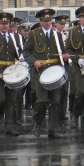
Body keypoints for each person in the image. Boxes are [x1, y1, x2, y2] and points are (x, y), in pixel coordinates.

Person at [22, 8, 69, 138]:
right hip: (40, 71)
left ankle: (52, 129)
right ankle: (37, 123)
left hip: (54, 71)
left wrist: (64, 57)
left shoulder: (57, 35)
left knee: (55, 101)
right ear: (40, 21)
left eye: (49, 20)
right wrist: (34, 61)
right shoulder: (34, 34)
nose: (47, 23)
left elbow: (62, 51)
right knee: (41, 100)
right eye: (44, 21)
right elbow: (26, 52)